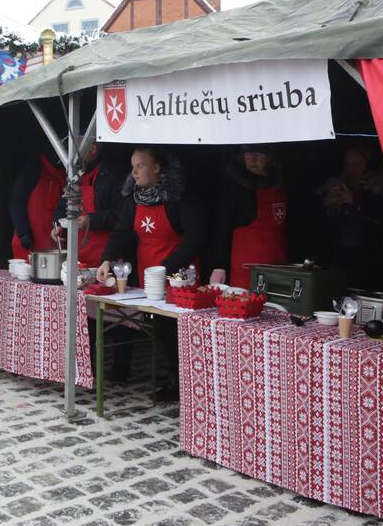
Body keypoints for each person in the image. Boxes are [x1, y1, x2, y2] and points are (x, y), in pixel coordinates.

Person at [96, 146, 207, 399]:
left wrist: (167, 267)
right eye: (133, 166)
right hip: (148, 276)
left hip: (179, 276)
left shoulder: (180, 197)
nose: (134, 172)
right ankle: (173, 380)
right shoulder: (133, 198)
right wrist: (106, 260)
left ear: (157, 168)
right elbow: (122, 233)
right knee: (160, 329)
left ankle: (183, 385)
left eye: (140, 166)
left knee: (178, 331)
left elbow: (196, 236)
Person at [208, 145, 288, 289]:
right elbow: (221, 228)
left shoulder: (281, 186)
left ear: (271, 158)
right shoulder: (234, 189)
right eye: (248, 153)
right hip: (245, 271)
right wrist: (219, 265)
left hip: (278, 268)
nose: (252, 158)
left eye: (259, 153)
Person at [316, 143, 383, 290]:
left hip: (368, 262)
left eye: (356, 164)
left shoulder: (379, 187)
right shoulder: (333, 186)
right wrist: (324, 204)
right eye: (347, 164)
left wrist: (354, 199)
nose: (350, 169)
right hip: (336, 258)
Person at [50, 140, 123, 267]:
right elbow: (64, 203)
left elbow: (121, 215)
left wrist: (91, 220)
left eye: (74, 150)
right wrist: (57, 224)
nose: (70, 155)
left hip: (105, 258)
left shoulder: (113, 174)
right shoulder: (75, 175)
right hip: (78, 257)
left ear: (93, 149)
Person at [9, 153, 65, 259]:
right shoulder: (34, 168)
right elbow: (16, 203)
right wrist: (23, 233)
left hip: (52, 243)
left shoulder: (66, 173)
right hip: (28, 244)